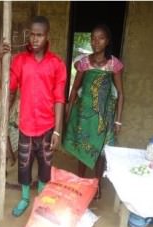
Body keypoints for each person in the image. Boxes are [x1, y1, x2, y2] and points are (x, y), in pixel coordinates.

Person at [0, 16, 67, 217]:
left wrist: (57, 130)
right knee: (24, 164)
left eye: (40, 35)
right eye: (32, 35)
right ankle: (25, 198)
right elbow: (7, 89)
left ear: (47, 36)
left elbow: (59, 99)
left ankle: (42, 198)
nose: (35, 39)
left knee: (45, 165)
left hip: (47, 126)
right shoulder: (20, 61)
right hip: (26, 125)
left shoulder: (57, 63)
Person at [63, 24, 124, 199]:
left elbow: (121, 93)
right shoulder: (84, 63)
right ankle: (81, 183)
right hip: (83, 114)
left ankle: (96, 185)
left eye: (101, 38)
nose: (96, 42)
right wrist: (68, 112)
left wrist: (118, 120)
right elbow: (74, 90)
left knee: (99, 152)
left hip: (103, 115)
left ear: (108, 41)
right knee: (81, 148)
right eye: (93, 38)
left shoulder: (114, 64)